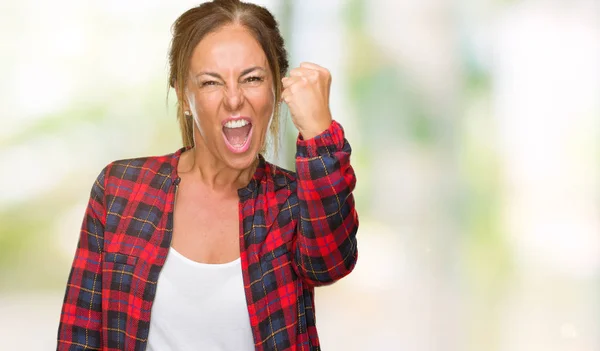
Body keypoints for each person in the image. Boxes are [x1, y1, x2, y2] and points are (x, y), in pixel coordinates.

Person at [57, 0, 358, 350]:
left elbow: (331, 264)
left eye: (253, 78)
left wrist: (320, 134)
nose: (234, 99)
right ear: (184, 95)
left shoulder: (292, 201)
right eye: (211, 82)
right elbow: (80, 338)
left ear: (276, 89)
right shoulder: (119, 189)